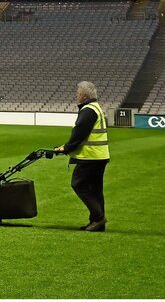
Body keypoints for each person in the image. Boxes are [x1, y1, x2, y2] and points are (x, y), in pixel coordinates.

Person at [55, 81, 110, 232]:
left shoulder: (88, 110)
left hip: (90, 156)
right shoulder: (96, 107)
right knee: (95, 189)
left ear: (84, 96)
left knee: (78, 184)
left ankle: (98, 218)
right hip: (100, 156)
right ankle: (97, 223)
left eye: (78, 93)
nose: (76, 95)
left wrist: (66, 148)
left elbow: (79, 133)